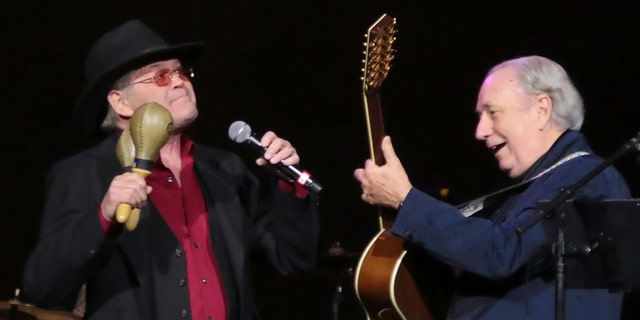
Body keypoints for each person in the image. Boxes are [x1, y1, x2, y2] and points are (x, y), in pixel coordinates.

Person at [21, 19, 320, 320]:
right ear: (120, 102)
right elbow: (42, 288)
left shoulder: (225, 169)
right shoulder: (83, 174)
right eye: (161, 76)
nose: (179, 81)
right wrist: (103, 215)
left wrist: (287, 183)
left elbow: (292, 261)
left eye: (181, 72)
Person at [353, 55, 631, 319]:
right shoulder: (530, 189)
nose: (480, 131)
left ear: (541, 110)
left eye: (493, 113)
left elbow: (504, 254)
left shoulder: (590, 180)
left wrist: (406, 200)